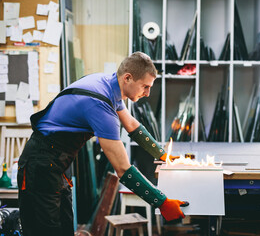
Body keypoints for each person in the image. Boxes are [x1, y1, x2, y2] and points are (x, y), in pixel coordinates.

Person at [17, 52, 188, 236]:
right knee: (45, 231)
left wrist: (162, 155)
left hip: (55, 164)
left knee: (64, 227)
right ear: (128, 78)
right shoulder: (99, 105)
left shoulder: (109, 85)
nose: (147, 93)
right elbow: (123, 169)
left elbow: (131, 125)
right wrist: (161, 202)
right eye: (145, 86)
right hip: (40, 165)